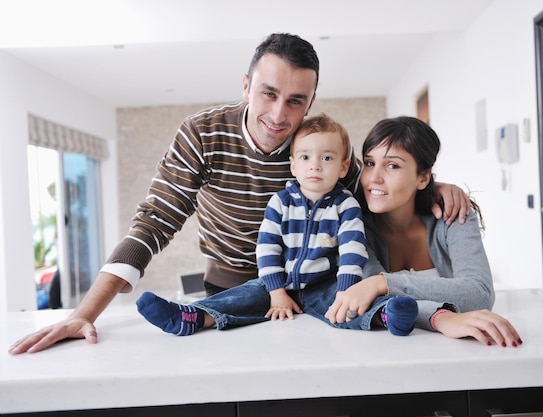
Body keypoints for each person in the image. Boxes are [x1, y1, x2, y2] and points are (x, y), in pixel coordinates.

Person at [9, 33, 468, 355]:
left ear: (310, 103)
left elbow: (368, 192)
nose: (278, 114)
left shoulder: (317, 146)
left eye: (295, 101)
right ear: (246, 85)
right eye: (268, 93)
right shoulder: (202, 135)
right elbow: (154, 222)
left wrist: (430, 187)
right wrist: (86, 312)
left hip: (321, 292)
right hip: (232, 288)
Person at [136, 113, 419, 336]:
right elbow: (267, 247)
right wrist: (276, 292)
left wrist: (345, 290)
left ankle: (386, 314)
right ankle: (192, 316)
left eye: (327, 158)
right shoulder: (280, 202)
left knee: (347, 307)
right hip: (280, 281)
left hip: (326, 283)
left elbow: (352, 251)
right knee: (245, 295)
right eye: (306, 157)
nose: (315, 166)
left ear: (344, 167)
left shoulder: (345, 205)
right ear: (293, 165)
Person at [325, 116, 522, 347]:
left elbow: (479, 293)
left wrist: (383, 282)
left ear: (423, 177)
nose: (374, 178)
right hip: (385, 350)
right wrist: (443, 318)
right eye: (369, 163)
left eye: (392, 165)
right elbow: (375, 302)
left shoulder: (453, 213)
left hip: (460, 351)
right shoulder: (353, 224)